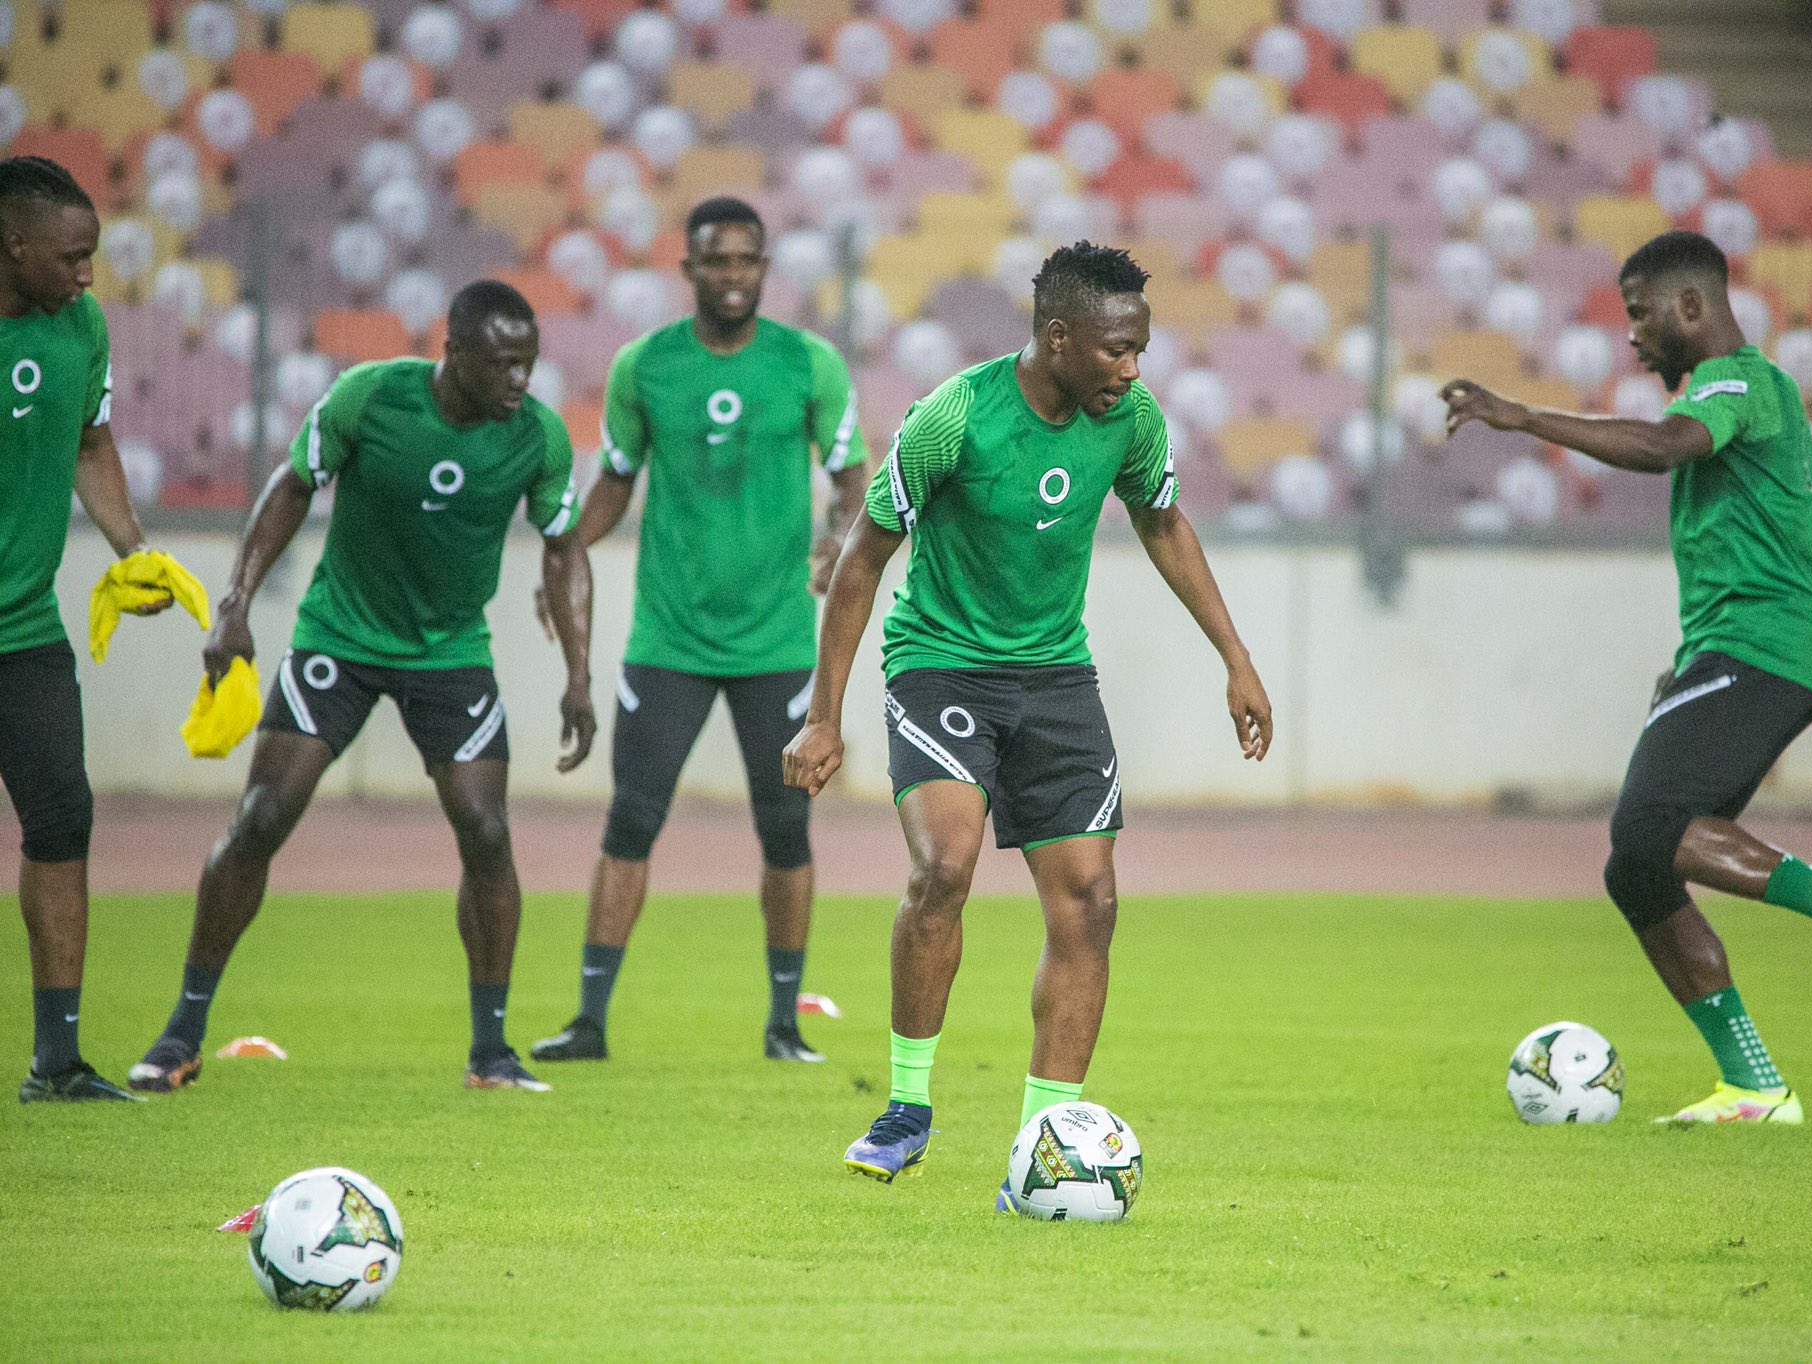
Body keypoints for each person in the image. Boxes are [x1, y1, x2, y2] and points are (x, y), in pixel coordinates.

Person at [782, 241, 1273, 1203]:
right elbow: (861, 557)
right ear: (1058, 338)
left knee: (1089, 903)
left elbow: (1164, 523)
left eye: (1141, 349)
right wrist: (822, 716)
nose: (1133, 370)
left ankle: (1046, 1137)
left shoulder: (1129, 420)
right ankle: (907, 1108)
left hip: (1055, 677)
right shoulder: (952, 418)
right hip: (940, 665)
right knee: (945, 868)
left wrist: (1237, 657)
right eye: (1115, 350)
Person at [1442, 229, 1812, 1124]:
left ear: (1691, 307)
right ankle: (1752, 1083)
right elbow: (1811, 534)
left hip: (1759, 647)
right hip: (1743, 647)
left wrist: (1526, 417)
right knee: (1638, 868)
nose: (1632, 336)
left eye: (1640, 314)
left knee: (1652, 824)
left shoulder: (1733, 381)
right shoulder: (1768, 401)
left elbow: (1668, 446)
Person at [128, 280, 595, 1095]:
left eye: (530, 363)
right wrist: (234, 605)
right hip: (338, 638)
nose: (521, 381)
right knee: (261, 817)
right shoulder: (370, 398)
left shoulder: (537, 439)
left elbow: (564, 548)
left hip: (450, 650)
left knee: (486, 833)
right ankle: (180, 1033)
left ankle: (491, 1052)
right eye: (504, 364)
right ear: (451, 352)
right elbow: (292, 485)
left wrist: (579, 672)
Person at [532, 197, 868, 1066]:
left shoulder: (807, 365)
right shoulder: (645, 367)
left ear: (765, 269)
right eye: (716, 262)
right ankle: (590, 1021)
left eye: (747, 262)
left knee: (786, 832)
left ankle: (784, 1024)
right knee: (630, 821)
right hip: (669, 639)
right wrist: (568, 551)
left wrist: (840, 536)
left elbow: (853, 477)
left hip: (779, 643)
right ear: (688, 270)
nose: (733, 276)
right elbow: (613, 479)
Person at [1, 156, 192, 1102]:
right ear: (14, 243)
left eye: (95, 256)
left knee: (64, 818)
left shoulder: (80, 326)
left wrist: (130, 550)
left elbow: (89, 441)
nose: (88, 275)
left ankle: (58, 1061)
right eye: (73, 256)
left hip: (24, 627)